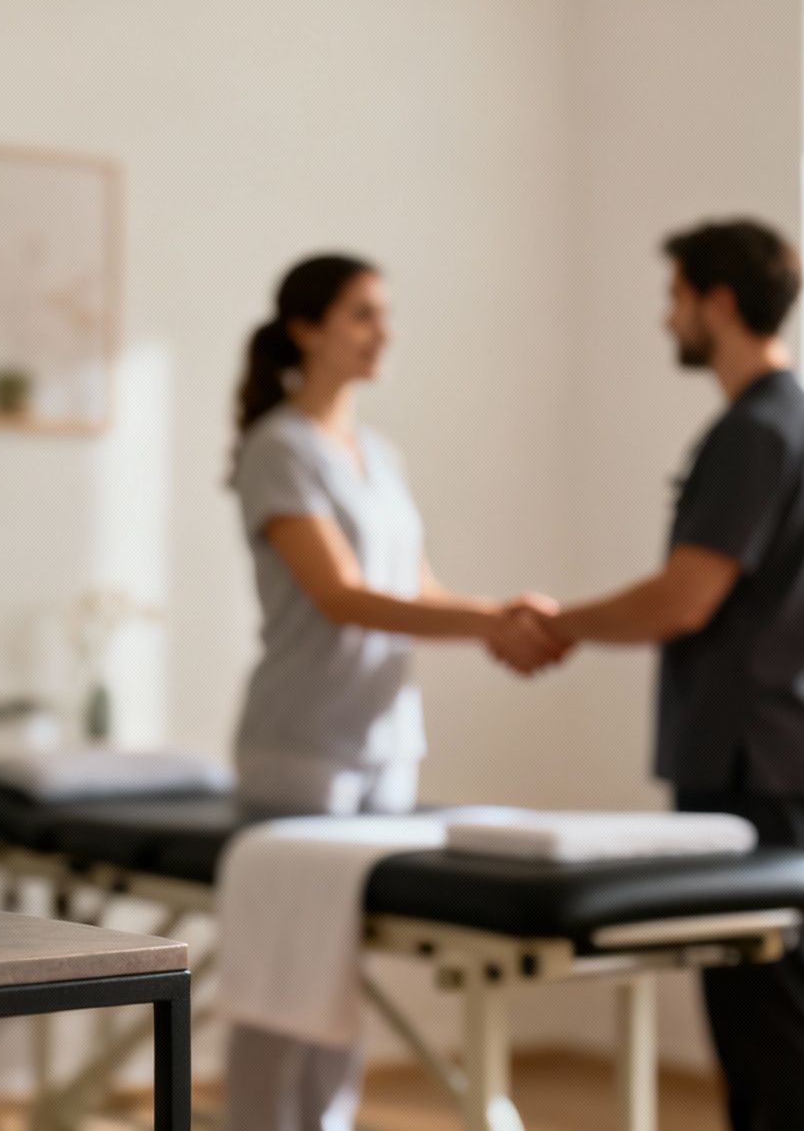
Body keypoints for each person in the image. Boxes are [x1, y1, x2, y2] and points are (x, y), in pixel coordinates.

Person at [224, 253, 566, 1131]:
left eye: (385, 313)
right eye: (362, 315)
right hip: (301, 744)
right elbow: (339, 598)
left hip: (386, 744)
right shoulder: (278, 447)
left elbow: (417, 592)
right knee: (279, 971)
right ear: (306, 329)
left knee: (338, 974)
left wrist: (501, 616)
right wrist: (496, 621)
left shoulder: (379, 454)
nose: (385, 333)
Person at [541, 219, 804, 1131]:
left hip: (755, 756)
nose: (664, 317)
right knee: (759, 999)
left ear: (717, 303)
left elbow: (683, 599)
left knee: (769, 1002)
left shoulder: (755, 432)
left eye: (674, 296)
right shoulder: (799, 425)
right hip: (771, 749)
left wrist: (559, 625)